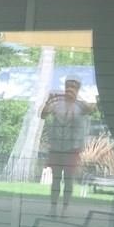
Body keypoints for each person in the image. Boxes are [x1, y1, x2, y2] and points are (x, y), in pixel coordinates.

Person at [40, 76, 94, 214]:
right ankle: (53, 208)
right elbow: (43, 115)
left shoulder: (80, 105)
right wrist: (48, 101)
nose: (69, 89)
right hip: (57, 146)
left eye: (73, 87)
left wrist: (77, 98)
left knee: (69, 179)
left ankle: (65, 208)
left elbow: (91, 110)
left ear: (78, 89)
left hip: (73, 147)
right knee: (56, 178)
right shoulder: (57, 103)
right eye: (68, 86)